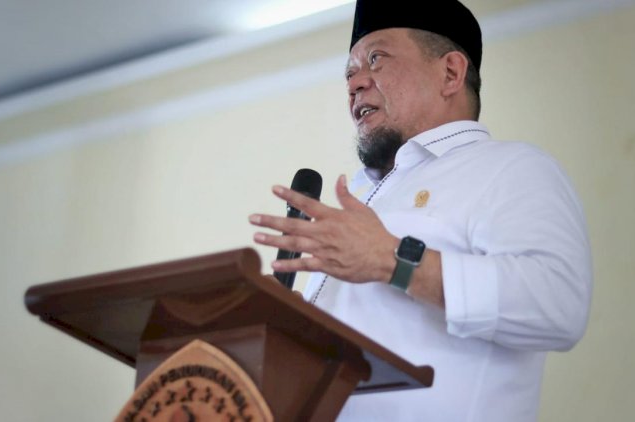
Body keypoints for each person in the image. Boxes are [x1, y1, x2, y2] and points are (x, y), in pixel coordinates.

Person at [249, 0, 593, 420]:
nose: (355, 83)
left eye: (376, 59)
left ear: (450, 73)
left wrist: (393, 260)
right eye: (349, 73)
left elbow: (559, 303)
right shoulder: (358, 196)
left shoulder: (511, 167)